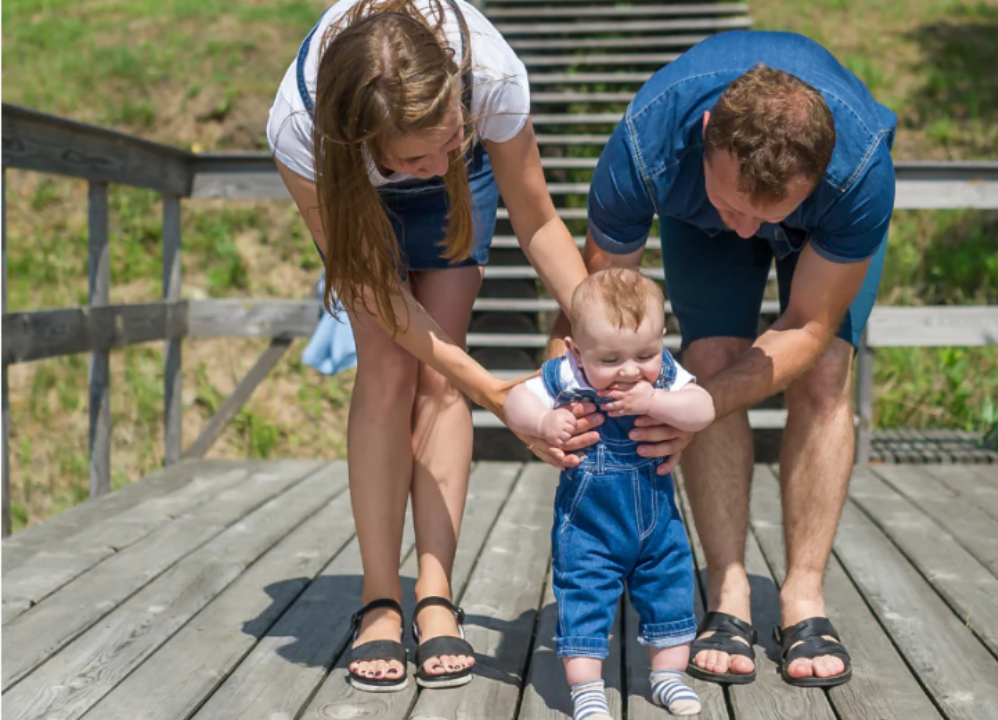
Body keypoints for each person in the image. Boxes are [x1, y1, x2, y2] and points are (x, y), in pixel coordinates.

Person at [266, 0, 599, 692]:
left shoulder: (491, 77)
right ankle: (381, 600)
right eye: (416, 155)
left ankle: (436, 592)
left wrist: (597, 322)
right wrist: (497, 391)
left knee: (442, 381)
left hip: (462, 180)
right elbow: (374, 293)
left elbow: (536, 217)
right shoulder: (300, 125)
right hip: (350, 189)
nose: (433, 159)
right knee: (388, 371)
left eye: (447, 137)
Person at [583, 30, 896, 687]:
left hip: (820, 224)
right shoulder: (647, 144)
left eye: (768, 214)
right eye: (735, 206)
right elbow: (601, 308)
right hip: (692, 217)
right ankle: (727, 589)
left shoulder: (860, 167)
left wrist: (702, 404)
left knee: (826, 370)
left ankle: (803, 594)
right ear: (704, 134)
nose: (749, 232)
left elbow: (808, 326)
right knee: (710, 356)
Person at [504, 269, 714, 720]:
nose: (631, 370)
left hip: (658, 524)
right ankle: (587, 689)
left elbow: (704, 408)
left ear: (662, 341)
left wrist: (657, 403)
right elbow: (515, 400)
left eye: (646, 354)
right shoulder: (565, 375)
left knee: (671, 590)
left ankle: (668, 677)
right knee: (583, 598)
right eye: (611, 359)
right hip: (588, 528)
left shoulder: (665, 379)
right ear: (576, 351)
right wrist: (542, 423)